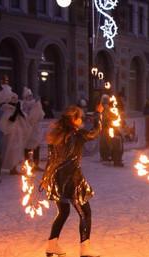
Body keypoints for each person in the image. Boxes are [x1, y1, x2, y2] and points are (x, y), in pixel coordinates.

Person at [41, 104, 104, 257]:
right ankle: (85, 250)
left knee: (63, 212)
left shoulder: (56, 134)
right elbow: (95, 133)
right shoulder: (77, 134)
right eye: (80, 117)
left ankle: (52, 246)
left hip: (56, 178)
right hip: (72, 179)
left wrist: (45, 177)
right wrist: (98, 114)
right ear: (73, 119)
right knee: (85, 213)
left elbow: (51, 159)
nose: (81, 120)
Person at [0, 86, 43, 175]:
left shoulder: (17, 109)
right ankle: (12, 168)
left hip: (18, 134)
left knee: (18, 151)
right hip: (12, 135)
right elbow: (8, 122)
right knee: (12, 152)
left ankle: (15, 167)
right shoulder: (9, 111)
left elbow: (24, 120)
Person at [21, 87, 45, 171]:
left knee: (36, 146)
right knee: (27, 147)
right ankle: (27, 164)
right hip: (27, 128)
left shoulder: (35, 104)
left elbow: (40, 115)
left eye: (30, 96)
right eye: (28, 96)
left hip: (35, 128)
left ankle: (35, 164)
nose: (29, 98)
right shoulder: (23, 105)